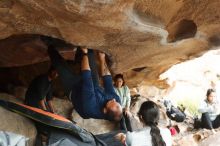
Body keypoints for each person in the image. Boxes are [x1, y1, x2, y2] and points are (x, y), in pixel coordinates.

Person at [47, 45, 123, 121]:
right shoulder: (116, 101)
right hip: (94, 87)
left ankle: (49, 45)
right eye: (118, 105)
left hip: (74, 90)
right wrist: (102, 59)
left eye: (115, 106)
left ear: (105, 110)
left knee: (60, 65)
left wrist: (85, 54)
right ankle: (79, 50)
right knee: (90, 53)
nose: (114, 100)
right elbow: (107, 80)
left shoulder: (91, 108)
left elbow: (87, 76)